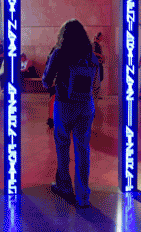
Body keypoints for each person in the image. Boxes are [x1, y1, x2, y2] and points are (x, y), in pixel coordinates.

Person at [42, 19, 100, 209]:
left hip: (64, 105)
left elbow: (46, 81)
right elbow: (97, 83)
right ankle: (83, 196)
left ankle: (65, 186)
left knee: (63, 148)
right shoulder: (90, 55)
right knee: (83, 150)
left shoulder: (59, 52)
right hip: (86, 106)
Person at [93, 32, 105, 99]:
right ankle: (95, 94)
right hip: (97, 64)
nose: (102, 38)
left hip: (98, 63)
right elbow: (93, 53)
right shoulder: (95, 45)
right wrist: (100, 55)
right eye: (101, 37)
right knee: (98, 78)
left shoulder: (97, 45)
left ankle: (96, 94)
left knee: (99, 78)